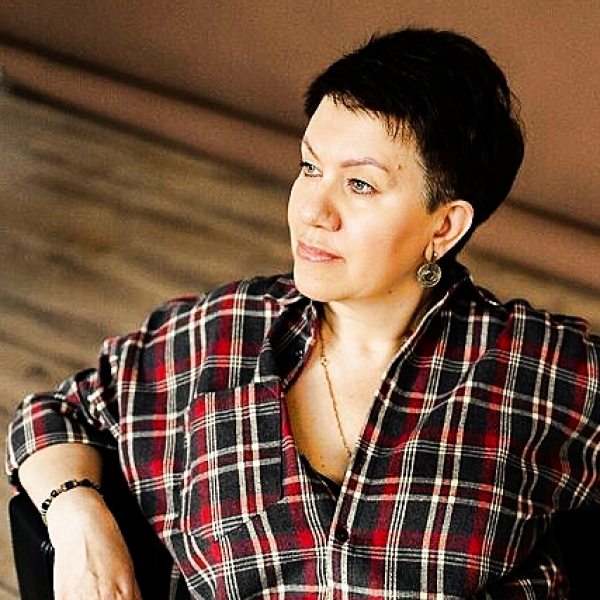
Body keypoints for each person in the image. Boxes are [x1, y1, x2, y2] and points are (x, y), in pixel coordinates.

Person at [6, 27, 600, 600]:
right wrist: (78, 518)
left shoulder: (538, 368)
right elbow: (58, 414)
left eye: (360, 185)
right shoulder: (227, 330)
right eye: (310, 167)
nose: (314, 210)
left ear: (444, 226)